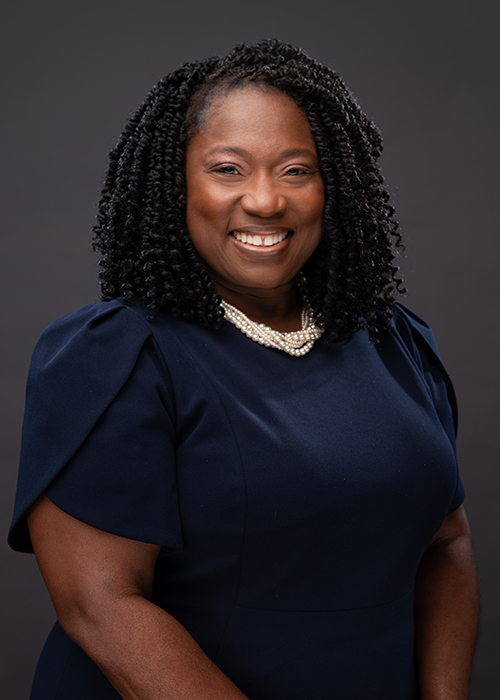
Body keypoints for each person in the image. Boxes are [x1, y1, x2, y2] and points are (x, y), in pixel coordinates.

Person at [9, 39, 479, 700]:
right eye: (228, 169)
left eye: (296, 170)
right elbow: (102, 607)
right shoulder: (116, 356)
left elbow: (446, 543)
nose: (265, 200)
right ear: (178, 184)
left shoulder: (394, 339)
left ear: (333, 187)